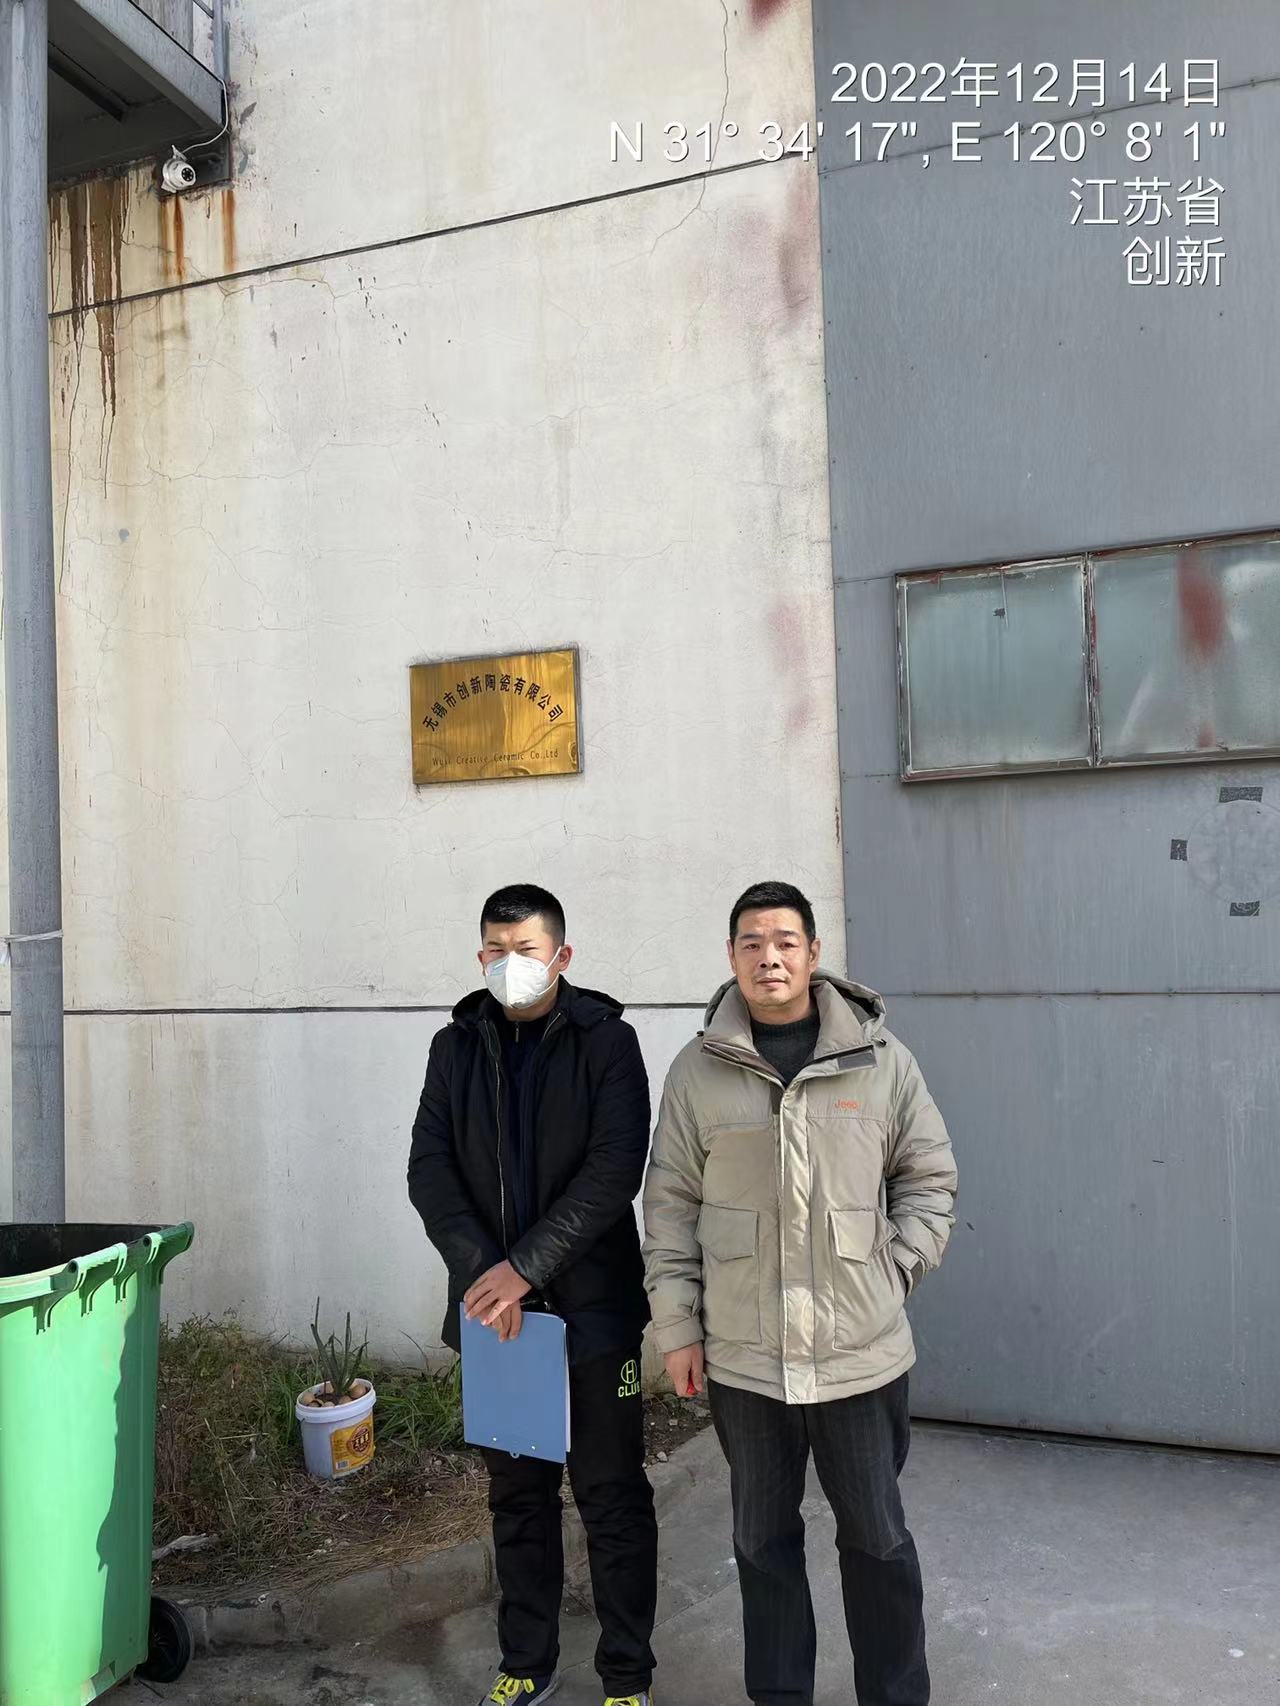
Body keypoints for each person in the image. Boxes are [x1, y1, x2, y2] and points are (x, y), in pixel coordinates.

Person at [642, 881, 957, 1706]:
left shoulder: (880, 1060)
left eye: (785, 941)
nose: (769, 957)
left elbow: (928, 1178)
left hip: (860, 1355)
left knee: (878, 1540)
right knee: (762, 1543)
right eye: (751, 943)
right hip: (747, 1361)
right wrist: (678, 1329)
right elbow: (668, 1206)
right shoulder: (697, 1072)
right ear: (731, 957)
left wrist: (894, 1269)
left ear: (814, 954)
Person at [408, 884, 657, 1706]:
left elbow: (613, 1171)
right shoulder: (455, 1047)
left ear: (561, 956)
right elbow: (429, 1171)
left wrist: (526, 1269)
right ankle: (525, 1662)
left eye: (524, 950)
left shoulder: (607, 1042)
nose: (507, 964)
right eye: (494, 949)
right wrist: (489, 1277)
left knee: (611, 1495)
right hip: (498, 1321)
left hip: (594, 1316)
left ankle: (626, 1676)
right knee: (517, 1498)